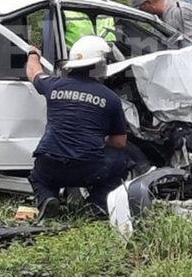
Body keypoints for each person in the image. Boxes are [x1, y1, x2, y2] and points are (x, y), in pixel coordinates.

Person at [26, 35, 132, 219]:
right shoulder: (111, 99)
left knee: (38, 176)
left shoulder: (53, 85)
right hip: (87, 169)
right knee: (123, 161)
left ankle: (47, 199)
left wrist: (33, 53)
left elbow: (34, 72)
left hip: (49, 165)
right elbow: (119, 143)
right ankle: (96, 205)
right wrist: (97, 137)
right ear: (102, 63)